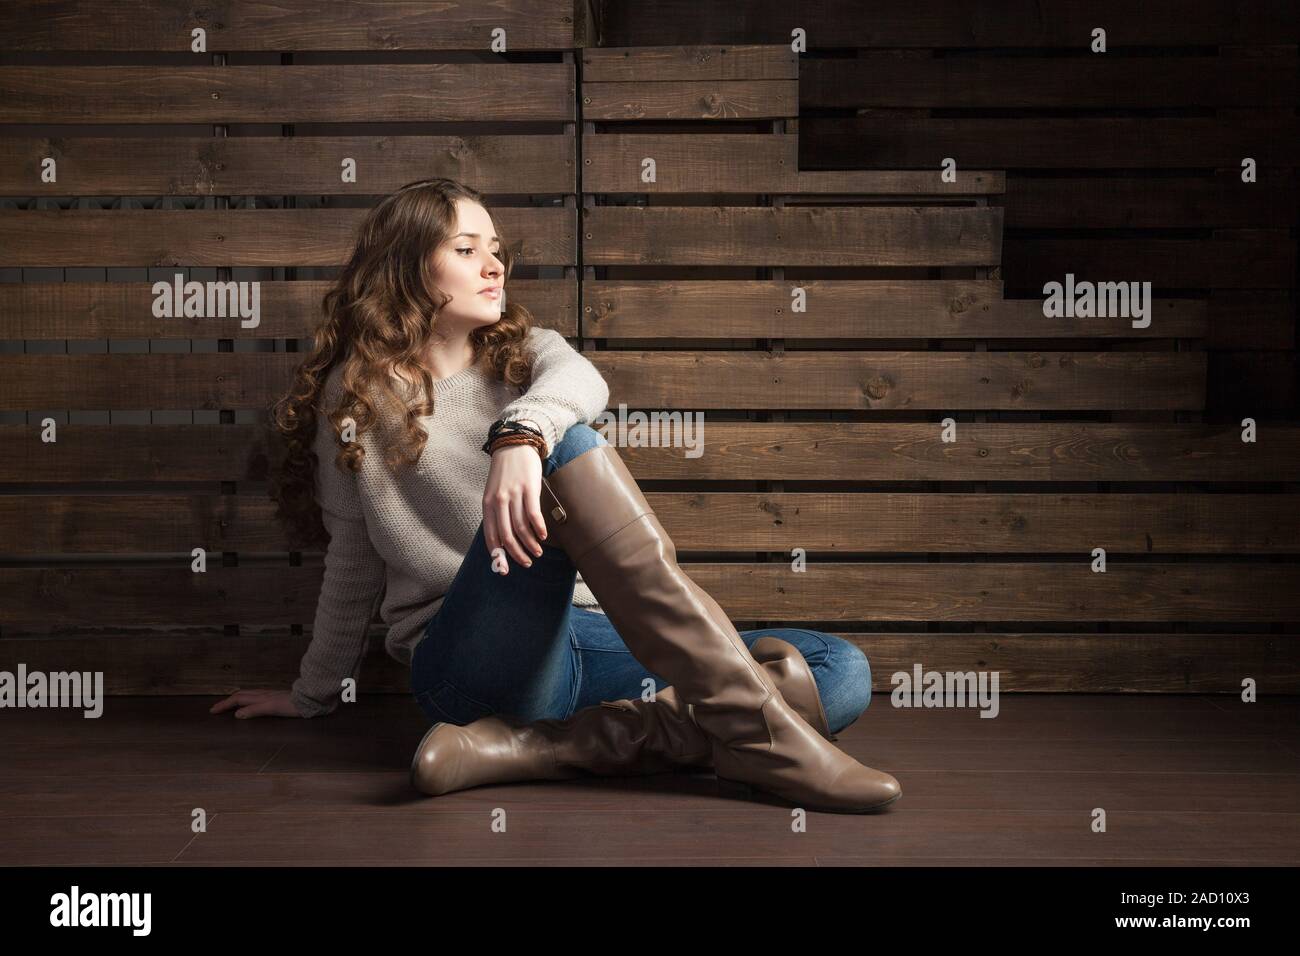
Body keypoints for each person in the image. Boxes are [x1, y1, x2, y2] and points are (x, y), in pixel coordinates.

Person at [210, 177, 900, 813]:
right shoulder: (355, 399)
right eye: (466, 248)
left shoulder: (528, 356)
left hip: (587, 641)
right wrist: (312, 694)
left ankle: (531, 749)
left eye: (498, 250)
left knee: (838, 670)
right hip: (473, 661)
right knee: (569, 447)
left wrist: (518, 437)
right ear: (408, 266)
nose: (494, 266)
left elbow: (583, 383)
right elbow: (354, 560)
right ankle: (750, 739)